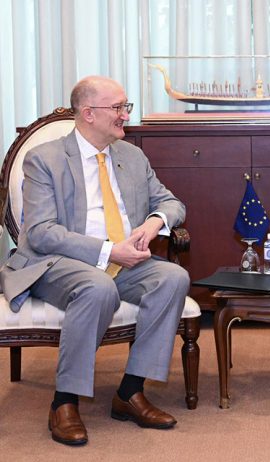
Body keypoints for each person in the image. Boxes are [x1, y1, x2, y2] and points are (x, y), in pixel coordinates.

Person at [0, 76, 190, 445]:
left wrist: (153, 223)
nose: (125, 115)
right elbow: (40, 233)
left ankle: (130, 392)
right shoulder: (45, 159)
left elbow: (172, 203)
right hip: (56, 262)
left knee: (173, 278)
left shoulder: (132, 156)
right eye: (118, 107)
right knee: (97, 286)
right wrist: (108, 251)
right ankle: (64, 402)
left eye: (125, 106)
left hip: (121, 261)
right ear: (88, 113)